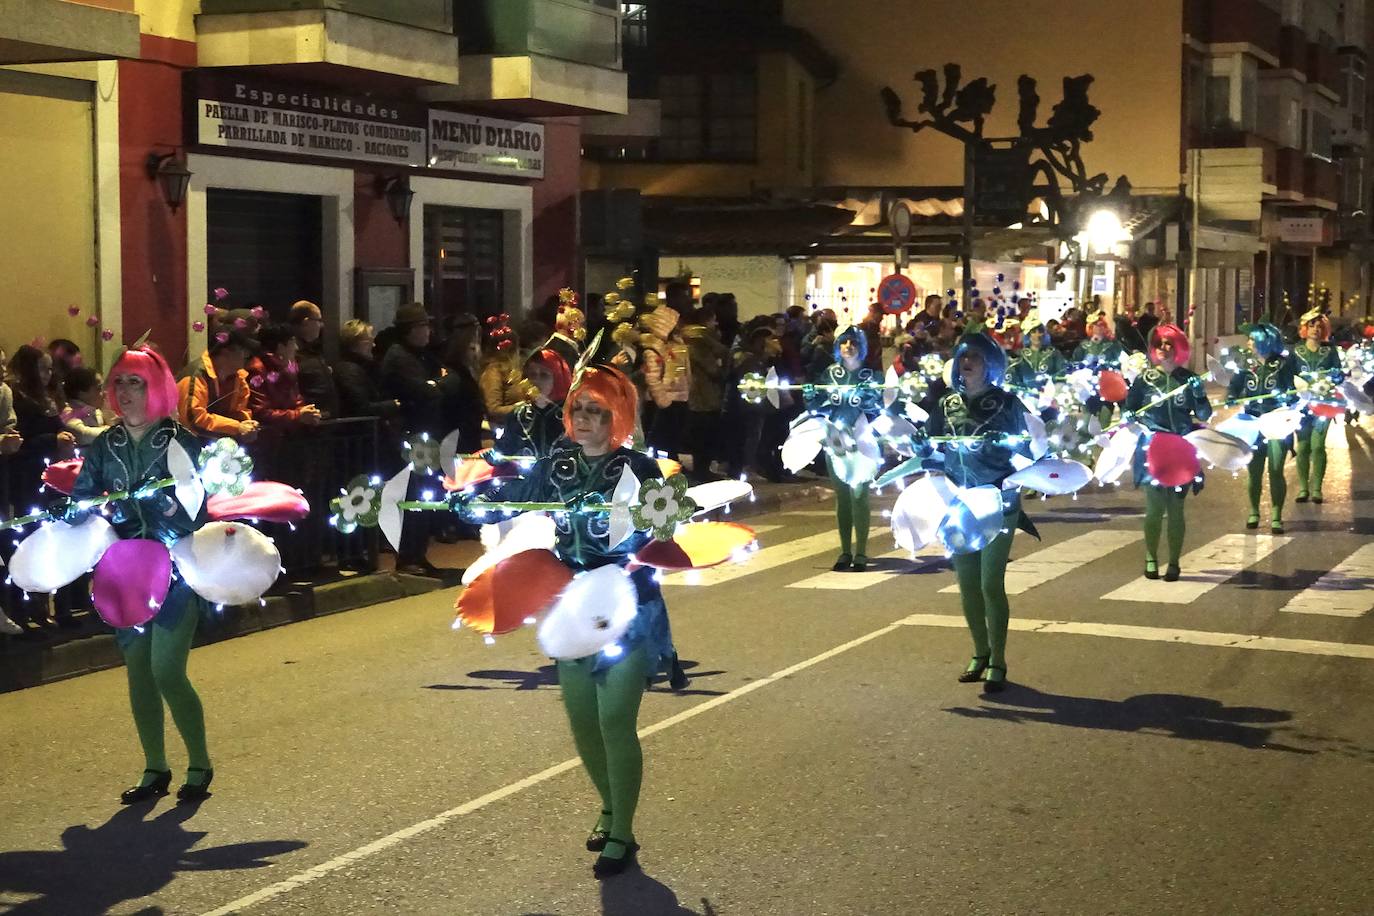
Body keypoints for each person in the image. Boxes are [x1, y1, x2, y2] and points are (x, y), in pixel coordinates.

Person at [471, 365, 673, 878]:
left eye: (595, 411)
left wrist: (650, 524)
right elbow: (508, 500)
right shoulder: (556, 460)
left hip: (625, 603)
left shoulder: (641, 469)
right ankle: (609, 806)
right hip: (570, 602)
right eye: (577, 408)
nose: (582, 419)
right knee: (583, 722)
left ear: (618, 415)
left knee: (614, 721)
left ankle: (623, 832)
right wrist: (465, 501)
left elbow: (660, 532)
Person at [69, 346, 215, 803]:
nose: (127, 392)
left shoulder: (181, 441)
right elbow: (82, 499)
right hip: (126, 571)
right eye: (120, 383)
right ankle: (155, 767)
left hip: (176, 568)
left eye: (137, 382)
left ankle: (200, 763)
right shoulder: (105, 444)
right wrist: (71, 510)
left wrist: (173, 505)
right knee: (138, 674)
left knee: (166, 670)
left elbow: (204, 505)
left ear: (156, 388)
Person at [920, 333, 1033, 692]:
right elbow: (931, 450)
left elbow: (1031, 448)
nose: (967, 361)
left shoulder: (1008, 404)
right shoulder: (945, 405)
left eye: (976, 356)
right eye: (962, 355)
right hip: (959, 504)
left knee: (989, 583)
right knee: (967, 584)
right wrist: (923, 453)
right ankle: (979, 652)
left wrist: (1018, 467)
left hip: (999, 502)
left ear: (990, 363)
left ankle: (998, 659)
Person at [1124, 325, 1212, 581]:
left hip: (1181, 449)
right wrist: (1129, 414)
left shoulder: (1188, 379)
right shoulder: (1144, 379)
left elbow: (1205, 415)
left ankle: (1174, 562)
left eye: (1169, 344)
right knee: (1154, 507)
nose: (1164, 349)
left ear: (1179, 348)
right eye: (1160, 344)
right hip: (1152, 447)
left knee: (1176, 508)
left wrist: (1198, 393)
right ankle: (1151, 557)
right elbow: (1130, 409)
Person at [7, 345, 78, 634]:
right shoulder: (20, 400)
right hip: (26, 478)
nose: (48, 375)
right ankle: (27, 609)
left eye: (51, 369)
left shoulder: (47, 398)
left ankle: (47, 606)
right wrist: (52, 438)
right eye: (42, 369)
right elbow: (20, 441)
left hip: (51, 478)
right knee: (27, 542)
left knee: (51, 542)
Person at [802, 327, 883, 572]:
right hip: (835, 440)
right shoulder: (829, 374)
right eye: (844, 342)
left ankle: (861, 552)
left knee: (859, 495)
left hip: (863, 440)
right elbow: (818, 406)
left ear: (861, 345)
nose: (848, 346)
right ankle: (845, 550)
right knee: (843, 497)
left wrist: (869, 397)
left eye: (853, 341)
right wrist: (809, 396)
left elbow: (880, 404)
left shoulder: (872, 375)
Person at [380, 304, 444, 575]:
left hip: (422, 437)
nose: (428, 331)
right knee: (414, 498)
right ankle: (408, 556)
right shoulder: (400, 358)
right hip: (410, 437)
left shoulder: (418, 356)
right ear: (410, 330)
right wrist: (437, 385)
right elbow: (423, 392)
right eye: (422, 326)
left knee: (424, 498)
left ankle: (418, 554)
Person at [1227, 323, 1298, 534]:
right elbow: (1234, 385)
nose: (1248, 342)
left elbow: (1294, 388)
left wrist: (1289, 397)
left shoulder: (1283, 364)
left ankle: (1276, 514)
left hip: (1276, 421)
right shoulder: (1245, 364)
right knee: (1254, 471)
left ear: (1263, 341)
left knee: (1276, 470)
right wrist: (1231, 397)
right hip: (1252, 423)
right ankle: (1254, 511)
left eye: (1252, 339)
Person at [1292, 308, 1343, 504]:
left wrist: (1333, 378)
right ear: (1304, 328)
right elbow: (1289, 375)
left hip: (1324, 404)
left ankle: (1316, 488)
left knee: (1318, 445)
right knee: (1303, 446)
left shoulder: (1330, 350)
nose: (1315, 329)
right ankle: (1303, 487)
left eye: (1319, 326)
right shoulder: (1295, 351)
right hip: (1301, 406)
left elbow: (1339, 374)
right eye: (1311, 325)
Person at [177, 331, 260, 443]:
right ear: (225, 353)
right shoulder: (195, 376)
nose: (247, 357)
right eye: (243, 352)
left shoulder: (238, 377)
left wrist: (246, 423)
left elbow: (240, 410)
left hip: (220, 446)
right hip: (186, 445)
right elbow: (193, 420)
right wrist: (237, 427)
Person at [490, 348, 570, 461]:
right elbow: (504, 452)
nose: (536, 380)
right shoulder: (518, 415)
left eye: (544, 375)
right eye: (532, 374)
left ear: (557, 378)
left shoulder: (571, 415)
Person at [680, 304, 728, 481]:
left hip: (705, 398)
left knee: (705, 437)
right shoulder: (698, 345)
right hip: (702, 399)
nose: (715, 324)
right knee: (702, 438)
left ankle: (703, 470)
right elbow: (715, 370)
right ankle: (701, 471)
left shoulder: (697, 344)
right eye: (712, 320)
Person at [246, 324, 323, 430]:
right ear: (280, 347)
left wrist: (307, 411)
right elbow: (260, 413)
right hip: (267, 438)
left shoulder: (288, 366)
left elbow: (296, 398)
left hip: (286, 435)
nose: (296, 348)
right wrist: (298, 415)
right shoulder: (257, 370)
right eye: (293, 343)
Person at [641, 305, 691, 460]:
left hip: (679, 399)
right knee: (660, 442)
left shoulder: (679, 346)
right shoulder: (653, 350)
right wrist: (663, 401)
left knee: (673, 440)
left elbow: (686, 372)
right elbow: (652, 378)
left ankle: (672, 465)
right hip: (663, 402)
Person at [333, 320, 402, 422]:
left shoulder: (361, 368)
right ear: (357, 343)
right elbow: (360, 407)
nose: (373, 345)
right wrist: (392, 405)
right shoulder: (349, 371)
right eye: (369, 340)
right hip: (359, 433)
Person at [288, 300, 338, 420]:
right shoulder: (290, 352)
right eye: (318, 320)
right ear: (306, 322)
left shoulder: (311, 350)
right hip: (308, 422)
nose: (321, 325)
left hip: (323, 419)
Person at [61, 366, 111, 445]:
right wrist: (112, 430)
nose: (104, 393)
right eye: (99, 388)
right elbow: (82, 435)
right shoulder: (69, 413)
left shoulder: (97, 410)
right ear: (81, 393)